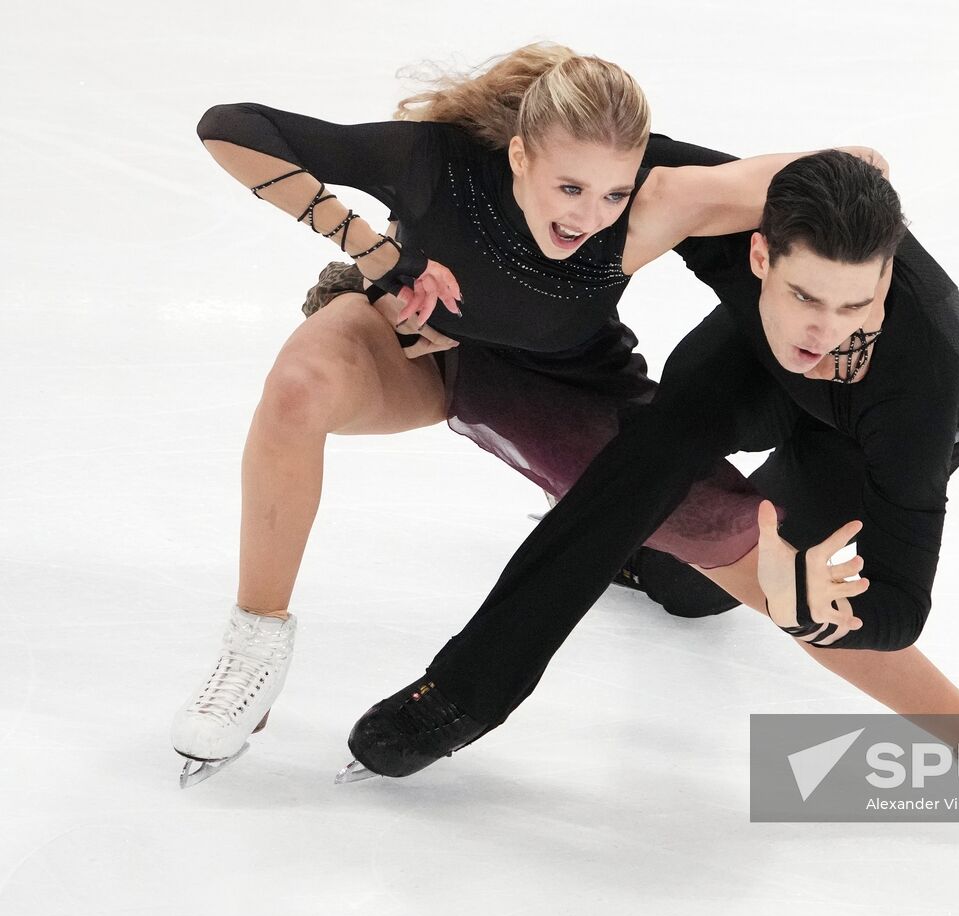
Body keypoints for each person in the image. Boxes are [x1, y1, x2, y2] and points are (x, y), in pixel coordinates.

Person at [339, 152, 959, 850]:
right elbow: (585, 156)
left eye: (855, 305)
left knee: (717, 590)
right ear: (759, 254)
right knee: (645, 467)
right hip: (751, 366)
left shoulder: (919, 382)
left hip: (867, 439)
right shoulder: (719, 214)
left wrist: (814, 612)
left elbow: (903, 604)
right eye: (807, 295)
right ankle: (465, 692)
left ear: (886, 281)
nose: (827, 330)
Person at [167, 41, 914, 787]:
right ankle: (254, 644)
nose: (589, 216)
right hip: (423, 348)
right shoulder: (437, 164)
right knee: (298, 387)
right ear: (520, 156)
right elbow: (230, 126)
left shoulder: (658, 196)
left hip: (564, 391)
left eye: (613, 195)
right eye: (569, 187)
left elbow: (859, 167)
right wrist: (371, 251)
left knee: (738, 551)